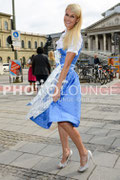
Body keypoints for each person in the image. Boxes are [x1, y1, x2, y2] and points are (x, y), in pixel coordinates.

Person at [27, 4, 94, 172]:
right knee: (59, 118)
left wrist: (57, 87)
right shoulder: (64, 34)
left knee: (64, 119)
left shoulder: (76, 37)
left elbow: (66, 65)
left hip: (67, 81)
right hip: (59, 77)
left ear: (77, 19)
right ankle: (66, 151)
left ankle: (83, 152)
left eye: (72, 16)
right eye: (66, 14)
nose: (68, 18)